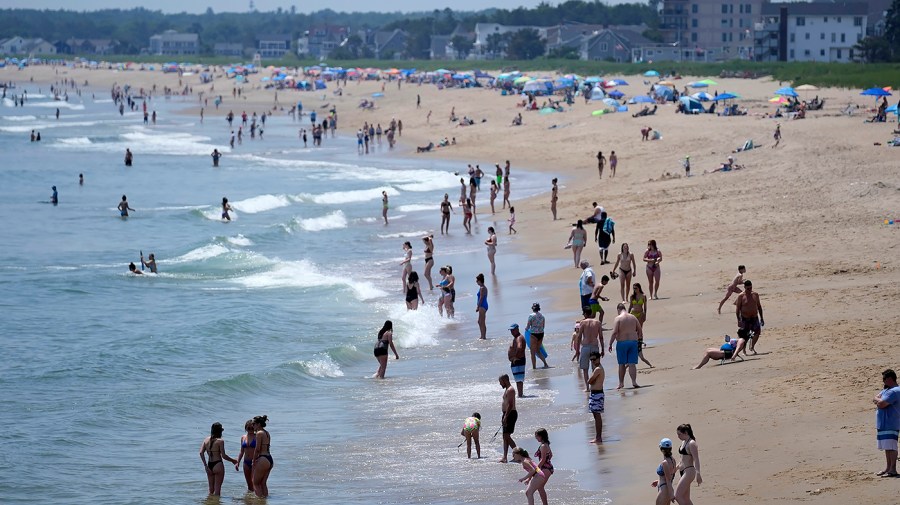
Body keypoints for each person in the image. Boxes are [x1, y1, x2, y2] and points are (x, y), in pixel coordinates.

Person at [609, 303, 642, 389]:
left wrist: (610, 343)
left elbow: (615, 332)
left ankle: (621, 383)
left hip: (622, 343)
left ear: (618, 310)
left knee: (621, 364)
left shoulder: (618, 318)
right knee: (632, 364)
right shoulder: (633, 317)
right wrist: (639, 339)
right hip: (633, 342)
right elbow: (639, 329)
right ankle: (634, 382)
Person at [199, 422, 238, 496]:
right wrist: (233, 460)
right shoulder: (220, 441)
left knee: (211, 490)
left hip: (209, 465)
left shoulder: (206, 440)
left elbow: (201, 453)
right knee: (217, 490)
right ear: (220, 431)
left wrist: (205, 466)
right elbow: (223, 456)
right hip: (218, 465)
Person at [874, 369, 900, 477]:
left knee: (892, 447)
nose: (883, 381)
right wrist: (877, 399)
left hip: (891, 423)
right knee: (887, 447)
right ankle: (888, 468)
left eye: (884, 379)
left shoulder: (894, 391)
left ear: (889, 379)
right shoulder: (887, 390)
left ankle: (893, 469)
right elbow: (875, 398)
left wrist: (878, 401)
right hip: (884, 423)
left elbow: (882, 404)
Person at [574, 306, 604, 390]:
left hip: (585, 347)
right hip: (594, 346)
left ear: (585, 314)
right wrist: (603, 349)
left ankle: (587, 388)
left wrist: (577, 350)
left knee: (585, 368)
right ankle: (596, 386)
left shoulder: (583, 323)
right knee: (595, 368)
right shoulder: (598, 322)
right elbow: (601, 337)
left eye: (583, 313)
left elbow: (579, 337)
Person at [734, 280, 764, 354]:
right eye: (748, 288)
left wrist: (762, 318)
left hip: (754, 317)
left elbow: (759, 307)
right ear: (744, 287)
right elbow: (737, 309)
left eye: (750, 288)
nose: (749, 290)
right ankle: (743, 350)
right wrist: (738, 320)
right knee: (745, 336)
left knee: (757, 332)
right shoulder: (741, 296)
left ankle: (752, 346)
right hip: (745, 318)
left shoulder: (755, 294)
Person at [675, 424, 702, 504]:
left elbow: (696, 459)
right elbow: (682, 459)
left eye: (679, 434)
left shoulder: (692, 443)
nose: (678, 436)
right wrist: (675, 469)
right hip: (683, 471)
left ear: (686, 432)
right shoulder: (684, 442)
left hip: (689, 471)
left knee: (677, 496)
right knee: (686, 498)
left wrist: (698, 473)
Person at [251, 415, 272, 497]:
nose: (252, 426)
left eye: (253, 424)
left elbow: (257, 449)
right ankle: (265, 500)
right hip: (269, 458)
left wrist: (253, 460)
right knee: (263, 483)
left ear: (258, 424)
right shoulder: (267, 433)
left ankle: (260, 502)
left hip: (263, 458)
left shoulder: (259, 433)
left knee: (255, 483)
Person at [587, 351, 606, 443]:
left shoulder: (598, 369)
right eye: (591, 360)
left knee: (597, 415)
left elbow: (589, 381)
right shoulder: (597, 368)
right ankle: (598, 437)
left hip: (597, 394)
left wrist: (591, 380)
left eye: (594, 359)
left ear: (599, 358)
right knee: (596, 415)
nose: (593, 361)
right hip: (595, 393)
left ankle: (598, 437)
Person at [499, 374, 518, 463]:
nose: (500, 384)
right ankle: (505, 457)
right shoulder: (507, 390)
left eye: (501, 382)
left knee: (507, 436)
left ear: (505, 380)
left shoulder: (510, 390)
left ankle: (519, 454)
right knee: (504, 436)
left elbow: (510, 405)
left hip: (510, 414)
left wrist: (506, 416)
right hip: (506, 414)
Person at [651, 438, 676, 505]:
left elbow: (668, 479)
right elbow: (671, 475)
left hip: (664, 489)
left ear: (661, 449)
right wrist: (658, 480)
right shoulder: (672, 459)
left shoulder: (665, 462)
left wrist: (671, 494)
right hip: (666, 488)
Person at [532, 429, 553, 504]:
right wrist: (548, 462)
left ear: (541, 436)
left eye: (537, 436)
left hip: (546, 468)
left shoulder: (543, 446)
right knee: (540, 487)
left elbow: (543, 459)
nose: (536, 438)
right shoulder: (546, 444)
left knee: (540, 487)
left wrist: (536, 469)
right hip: (548, 467)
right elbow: (551, 455)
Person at [235, 420, 257, 492]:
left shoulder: (257, 437)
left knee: (255, 482)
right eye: (248, 428)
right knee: (249, 485)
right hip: (246, 462)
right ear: (246, 428)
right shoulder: (243, 437)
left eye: (252, 428)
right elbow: (241, 451)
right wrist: (237, 462)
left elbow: (259, 450)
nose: (250, 430)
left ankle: (258, 500)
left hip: (255, 462)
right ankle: (250, 500)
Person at [526, 303, 548, 369]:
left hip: (534, 334)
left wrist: (526, 330)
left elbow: (528, 326)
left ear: (532, 308)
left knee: (532, 352)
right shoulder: (542, 316)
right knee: (538, 350)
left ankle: (534, 368)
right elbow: (543, 326)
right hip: (541, 334)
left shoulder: (531, 316)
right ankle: (545, 363)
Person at [508, 324, 527, 398]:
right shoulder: (516, 338)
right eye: (511, 330)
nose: (512, 332)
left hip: (518, 361)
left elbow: (520, 347)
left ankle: (520, 395)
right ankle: (520, 395)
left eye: (513, 330)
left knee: (519, 380)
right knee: (518, 380)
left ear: (517, 329)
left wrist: (515, 357)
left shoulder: (519, 338)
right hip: (517, 361)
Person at [475, 273, 489, 339]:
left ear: (480, 281)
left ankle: (483, 336)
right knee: (480, 321)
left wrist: (478, 306)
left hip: (482, 305)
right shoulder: (484, 287)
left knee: (481, 322)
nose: (476, 282)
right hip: (484, 305)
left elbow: (481, 297)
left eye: (477, 280)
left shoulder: (482, 288)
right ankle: (482, 335)